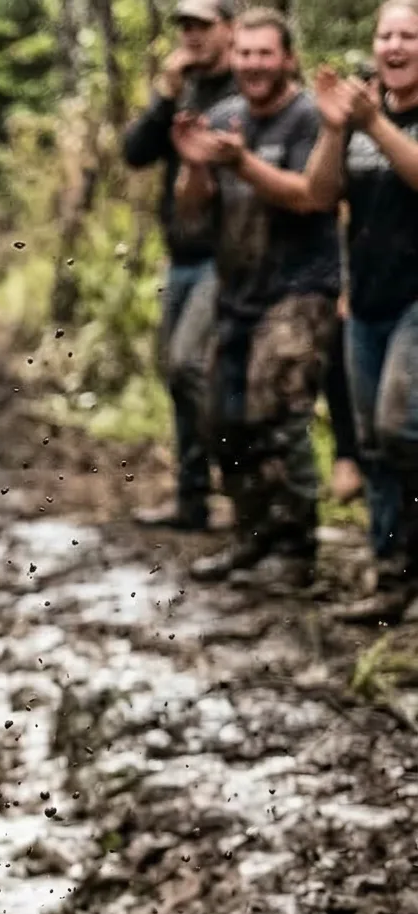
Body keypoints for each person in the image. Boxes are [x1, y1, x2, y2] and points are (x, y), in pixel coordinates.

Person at [173, 8, 348, 589]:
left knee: (277, 414)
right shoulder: (223, 118)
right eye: (244, 53)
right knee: (219, 417)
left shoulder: (306, 120)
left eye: (264, 53)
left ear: (287, 58)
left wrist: (240, 162)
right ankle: (250, 536)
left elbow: (311, 198)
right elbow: (194, 209)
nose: (252, 64)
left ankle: (299, 550)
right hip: (237, 289)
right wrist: (196, 168)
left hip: (301, 289)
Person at [315, 7, 418, 622]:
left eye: (409, 35)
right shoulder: (358, 115)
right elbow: (323, 196)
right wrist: (334, 129)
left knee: (398, 428)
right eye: (387, 35)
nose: (395, 45)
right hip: (369, 298)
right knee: (375, 447)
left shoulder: (375, 118)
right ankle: (390, 579)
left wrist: (373, 123)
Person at [121, 0, 237, 532]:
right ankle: (193, 498)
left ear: (228, 30)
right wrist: (164, 94)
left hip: (230, 255)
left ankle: (239, 482)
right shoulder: (182, 88)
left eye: (202, 25)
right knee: (175, 372)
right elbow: (136, 152)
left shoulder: (246, 89)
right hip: (183, 255)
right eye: (184, 26)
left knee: (190, 366)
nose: (190, 36)